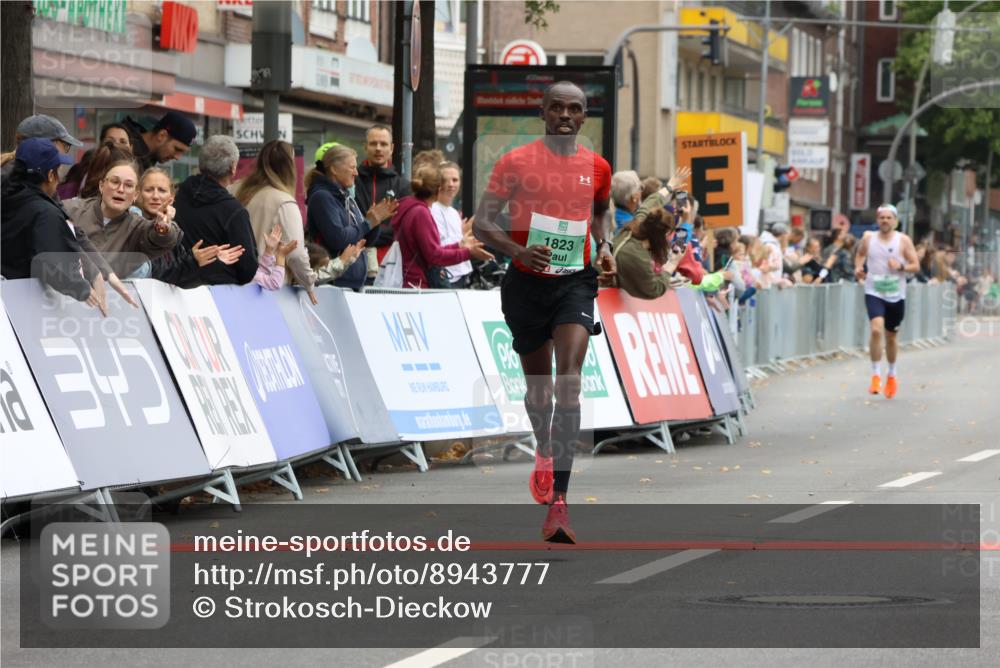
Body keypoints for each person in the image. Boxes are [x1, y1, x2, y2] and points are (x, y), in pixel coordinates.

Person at [473, 81, 616, 544]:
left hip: (575, 283)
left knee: (568, 381)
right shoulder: (515, 162)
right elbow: (482, 223)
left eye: (574, 109)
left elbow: (602, 211)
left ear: (584, 116)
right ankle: (543, 447)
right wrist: (518, 250)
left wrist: (605, 245)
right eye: (557, 108)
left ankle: (560, 503)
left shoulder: (597, 166)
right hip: (526, 285)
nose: (565, 116)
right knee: (540, 393)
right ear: (543, 112)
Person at [1, 138, 134, 314]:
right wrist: (82, 289)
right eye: (57, 171)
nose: (59, 179)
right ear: (50, 175)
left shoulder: (8, 196)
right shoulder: (45, 212)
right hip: (17, 308)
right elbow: (51, 263)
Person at [62, 159, 182, 278]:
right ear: (101, 186)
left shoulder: (137, 228)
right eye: (115, 182)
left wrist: (162, 227)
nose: (120, 189)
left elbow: (160, 240)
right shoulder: (71, 210)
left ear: (136, 195)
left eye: (129, 185)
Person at [236, 140, 319, 304]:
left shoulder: (236, 190)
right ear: (290, 166)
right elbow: (296, 254)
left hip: (234, 284)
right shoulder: (284, 202)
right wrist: (309, 282)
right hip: (269, 289)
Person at [306, 144, 396, 290]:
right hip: (331, 285)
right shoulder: (322, 197)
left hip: (350, 285)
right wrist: (367, 224)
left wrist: (375, 221)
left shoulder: (347, 197)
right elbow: (338, 238)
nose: (356, 173)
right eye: (352, 167)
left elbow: (365, 241)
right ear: (334, 169)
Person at [135, 167, 245, 287]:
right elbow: (156, 272)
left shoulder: (175, 229)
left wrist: (210, 260)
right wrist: (194, 261)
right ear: (137, 194)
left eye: (162, 190)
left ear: (172, 197)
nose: (155, 196)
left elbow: (182, 280)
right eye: (149, 190)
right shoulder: (133, 225)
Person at [173, 135, 259, 285]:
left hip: (174, 282)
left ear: (201, 164)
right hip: (217, 290)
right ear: (233, 167)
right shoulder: (233, 211)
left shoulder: (178, 195)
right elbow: (247, 268)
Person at [855, 204, 920, 399]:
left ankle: (891, 374)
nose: (885, 221)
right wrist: (858, 268)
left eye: (888, 218)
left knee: (891, 336)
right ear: (877, 220)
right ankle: (875, 374)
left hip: (896, 294)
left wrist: (900, 266)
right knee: (876, 330)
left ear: (895, 220)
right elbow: (860, 254)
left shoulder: (903, 240)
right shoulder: (869, 238)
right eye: (882, 217)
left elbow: (915, 265)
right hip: (874, 291)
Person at [393, 163, 492, 289]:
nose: (451, 185)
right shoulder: (421, 212)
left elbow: (432, 250)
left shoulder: (415, 208)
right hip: (417, 283)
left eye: (455, 180)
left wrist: (459, 245)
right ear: (438, 189)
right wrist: (468, 253)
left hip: (415, 281)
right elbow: (434, 255)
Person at [355, 124, 410, 273]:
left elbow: (401, 228)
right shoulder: (352, 181)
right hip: (354, 259)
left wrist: (366, 231)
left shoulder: (403, 186)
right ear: (365, 147)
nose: (378, 148)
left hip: (389, 263)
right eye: (373, 143)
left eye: (383, 144)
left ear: (391, 148)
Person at [612, 206, 685, 299]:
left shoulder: (630, 232)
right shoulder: (639, 257)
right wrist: (673, 263)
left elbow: (646, 207)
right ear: (666, 233)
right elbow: (654, 290)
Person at [59, 123, 133, 199]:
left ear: (131, 147)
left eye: (123, 142)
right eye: (110, 141)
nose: (116, 145)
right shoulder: (79, 181)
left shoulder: (137, 180)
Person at [431, 161, 475, 288]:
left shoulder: (454, 212)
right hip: (444, 276)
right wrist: (463, 239)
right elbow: (436, 247)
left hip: (461, 274)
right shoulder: (431, 209)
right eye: (445, 180)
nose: (451, 184)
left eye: (455, 180)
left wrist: (464, 234)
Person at [121, 111, 196, 172]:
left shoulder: (145, 159)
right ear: (161, 135)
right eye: (177, 149)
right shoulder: (123, 151)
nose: (177, 157)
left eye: (182, 152)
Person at [251, 224, 298, 290]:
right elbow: (274, 283)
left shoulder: (247, 273)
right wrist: (281, 256)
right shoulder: (243, 273)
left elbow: (261, 273)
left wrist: (269, 249)